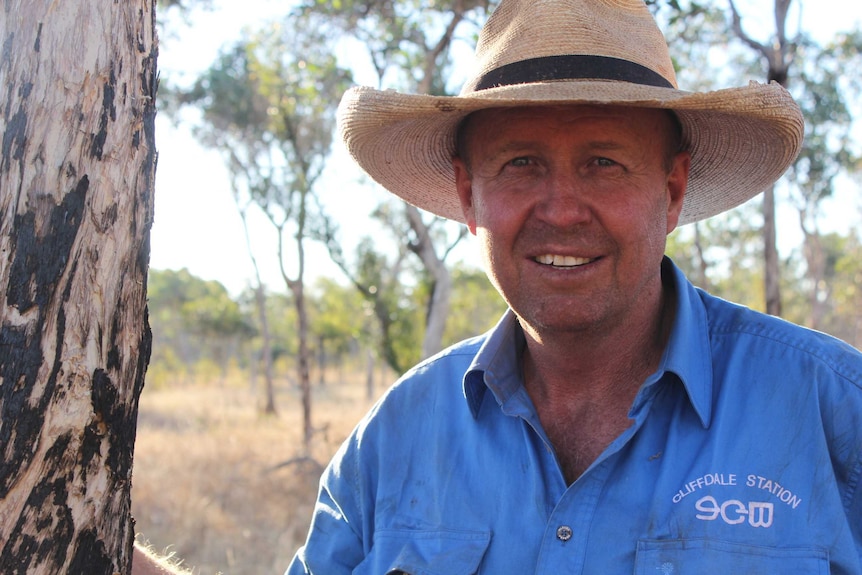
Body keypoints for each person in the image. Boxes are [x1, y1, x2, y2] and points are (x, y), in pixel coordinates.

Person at [285, 0, 862, 573]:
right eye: (520, 163)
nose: (561, 212)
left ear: (673, 189)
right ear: (468, 195)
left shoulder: (832, 412)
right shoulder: (394, 441)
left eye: (604, 162)